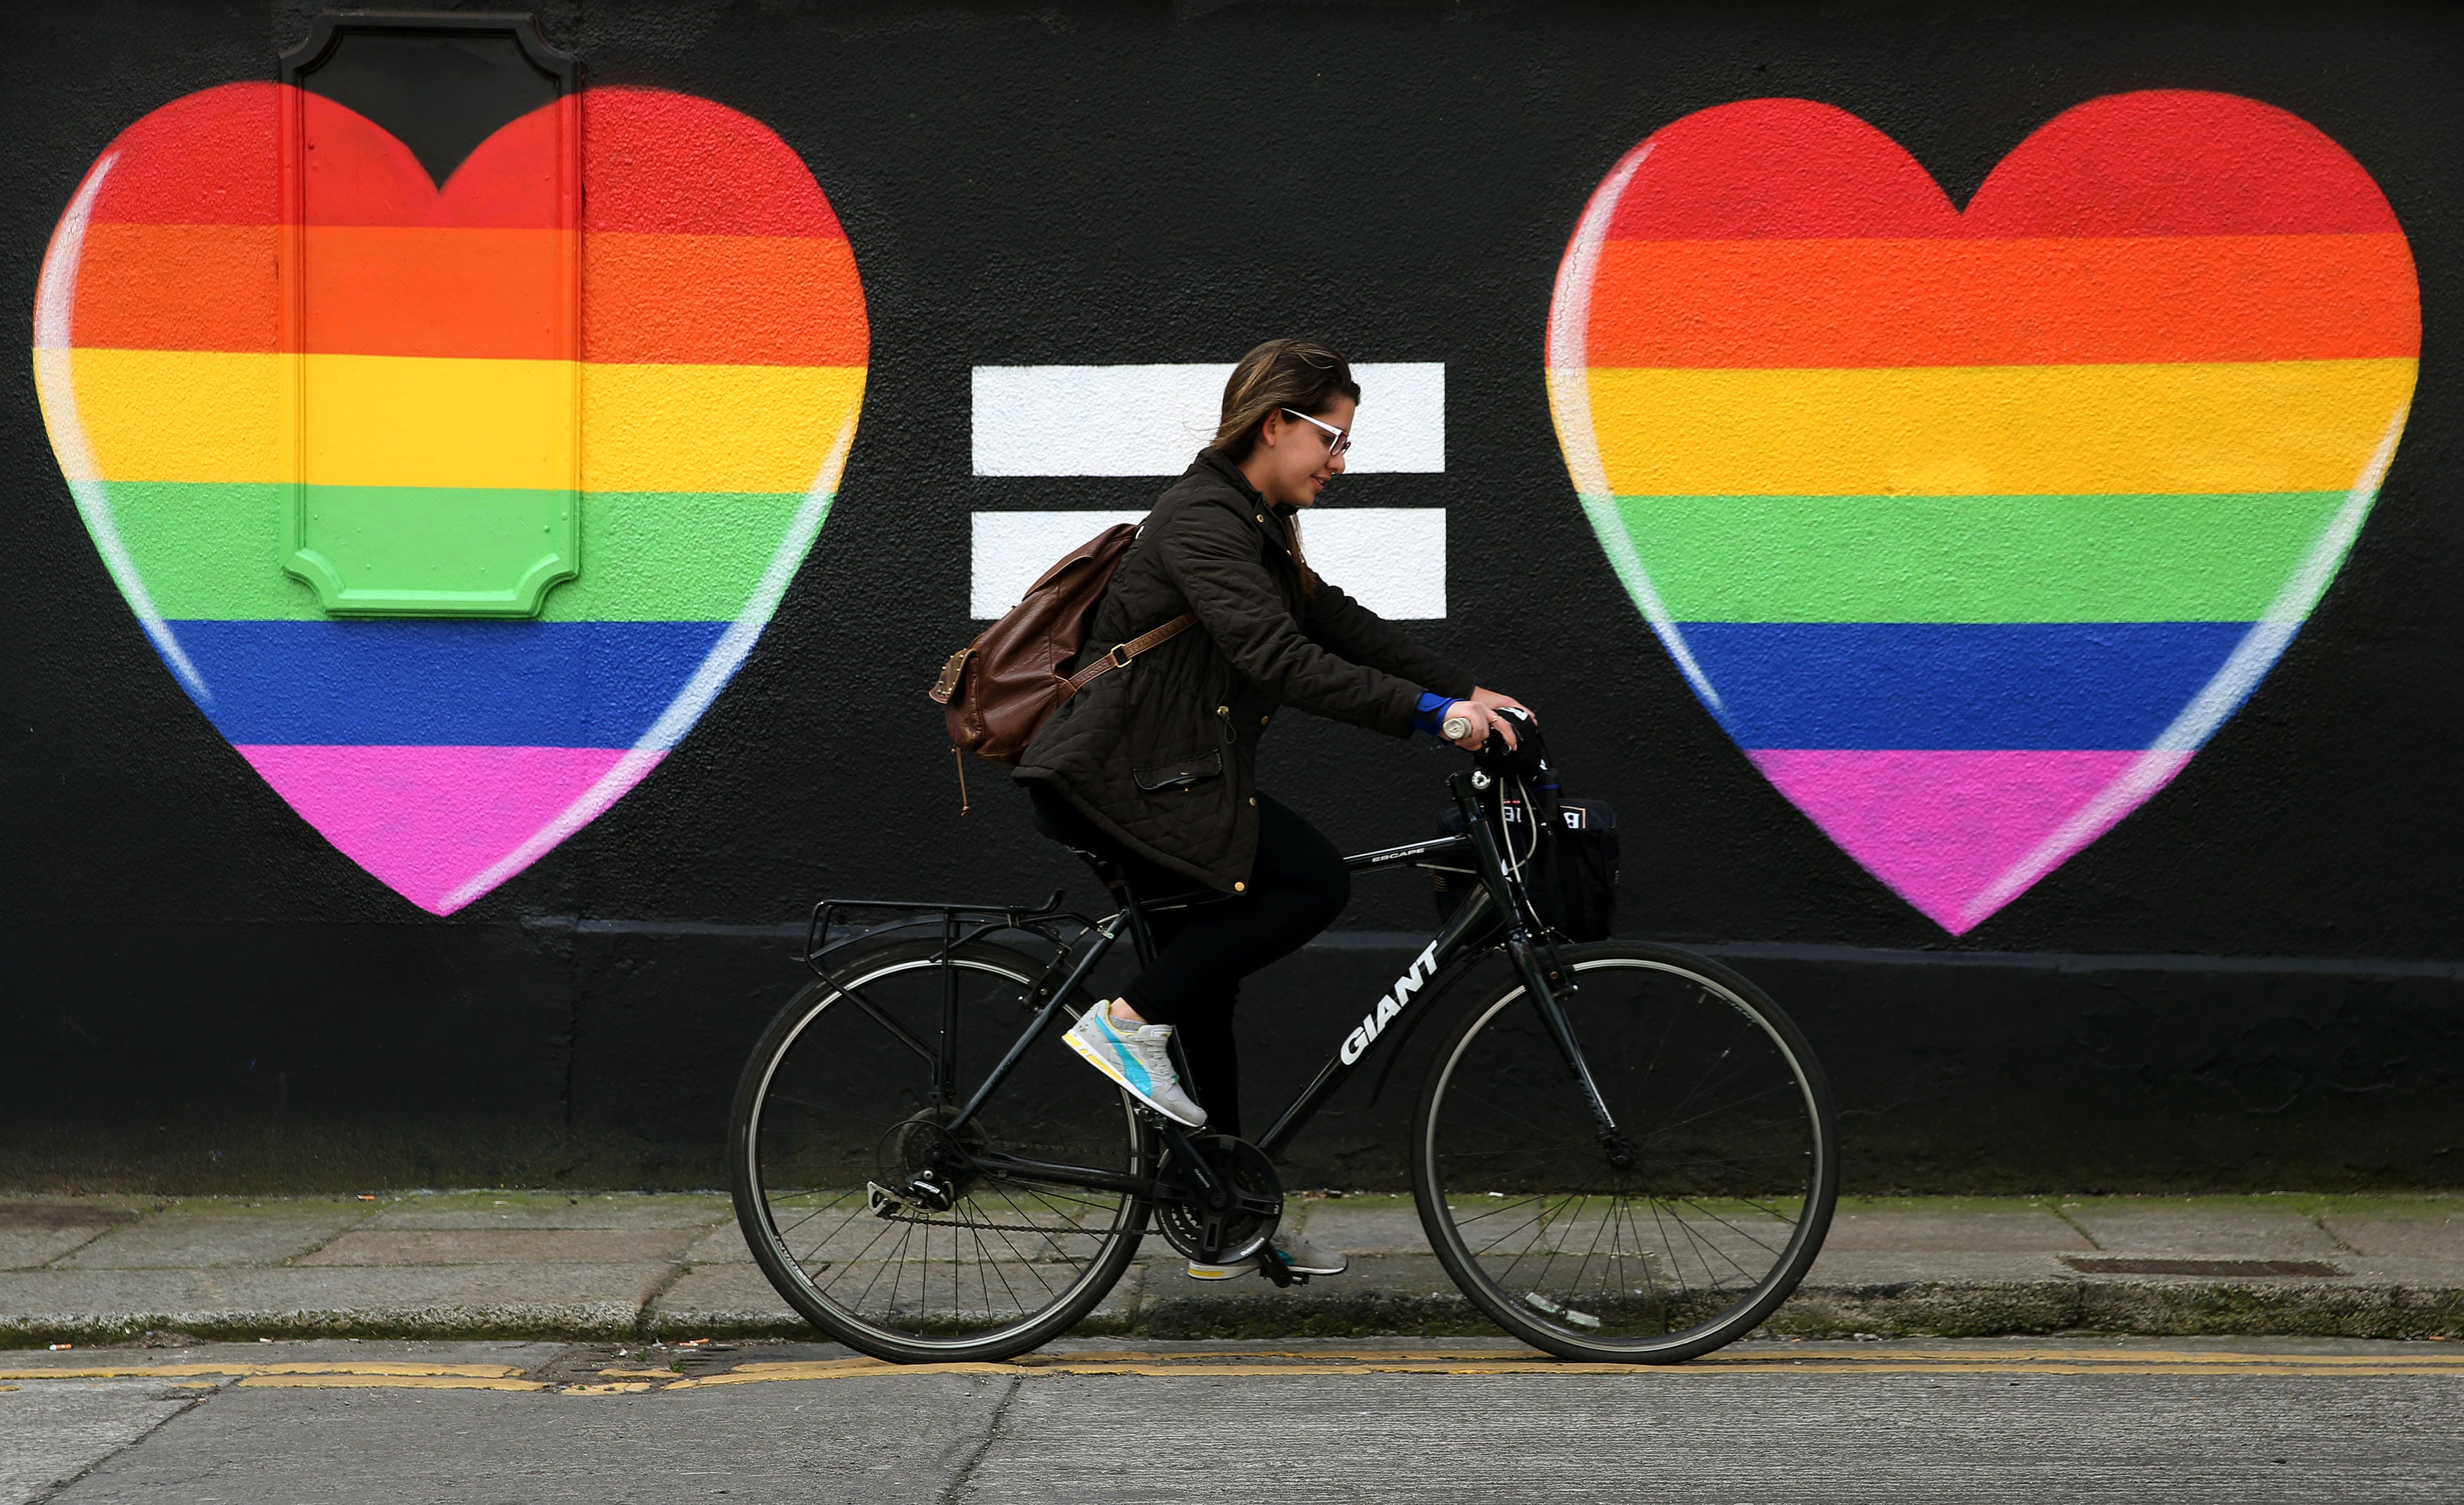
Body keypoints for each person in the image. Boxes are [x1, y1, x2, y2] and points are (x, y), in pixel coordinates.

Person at [1012, 339, 1532, 1279]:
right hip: (1121, 781)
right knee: (1309, 882)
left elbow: (1333, 621)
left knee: (1206, 982)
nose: (1341, 460)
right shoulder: (1204, 522)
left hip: (1165, 778)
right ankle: (1122, 1025)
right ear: (1274, 425)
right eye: (1330, 438)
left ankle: (1224, 1212)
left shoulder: (1249, 518)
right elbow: (1279, 659)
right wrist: (1432, 717)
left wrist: (1467, 688)